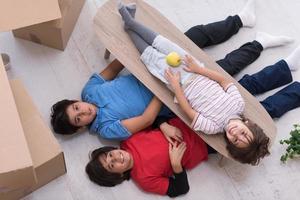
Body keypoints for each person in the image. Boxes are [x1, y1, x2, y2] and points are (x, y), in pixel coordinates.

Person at [50, 0, 284, 142]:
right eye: (79, 119)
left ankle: (240, 20)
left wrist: (135, 43)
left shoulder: (89, 91)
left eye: (76, 108)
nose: (84, 112)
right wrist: (164, 85)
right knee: (225, 67)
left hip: (149, 68)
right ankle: (259, 44)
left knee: (192, 37)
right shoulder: (106, 130)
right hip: (169, 92)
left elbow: (116, 64)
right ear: (81, 128)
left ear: (74, 101)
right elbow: (147, 119)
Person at [117, 1, 299, 165]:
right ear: (249, 124)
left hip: (180, 83)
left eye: (235, 139)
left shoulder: (212, 128)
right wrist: (198, 69)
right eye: (242, 134)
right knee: (165, 43)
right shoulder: (238, 104)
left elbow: (188, 110)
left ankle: (129, 25)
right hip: (198, 71)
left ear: (229, 142)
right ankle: (261, 41)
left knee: (151, 57)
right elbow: (223, 80)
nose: (235, 133)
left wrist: (176, 86)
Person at [86, 117, 215, 197]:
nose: (116, 158)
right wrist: (176, 166)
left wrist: (163, 125)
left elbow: (154, 119)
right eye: (112, 165)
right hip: (205, 144)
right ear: (119, 175)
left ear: (112, 149)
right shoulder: (144, 180)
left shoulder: (128, 140)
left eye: (109, 155)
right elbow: (180, 189)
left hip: (186, 118)